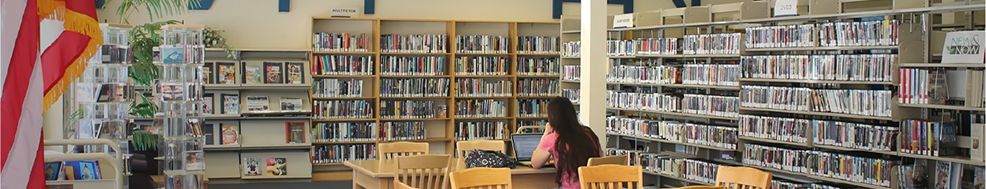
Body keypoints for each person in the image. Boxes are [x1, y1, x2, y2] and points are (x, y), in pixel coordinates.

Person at [531, 97, 602, 189]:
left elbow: (535, 163)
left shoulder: (553, 139)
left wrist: (546, 133)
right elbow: (599, 158)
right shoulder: (588, 133)